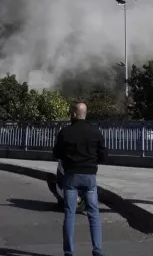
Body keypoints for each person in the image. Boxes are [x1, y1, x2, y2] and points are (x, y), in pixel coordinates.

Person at [52, 102, 107, 256]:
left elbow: (56, 153)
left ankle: (69, 252)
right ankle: (97, 250)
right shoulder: (95, 132)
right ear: (85, 113)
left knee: (69, 213)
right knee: (94, 213)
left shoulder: (65, 132)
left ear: (74, 114)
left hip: (71, 177)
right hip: (89, 177)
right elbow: (103, 156)